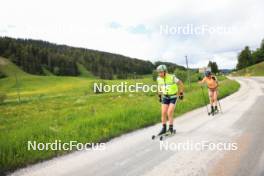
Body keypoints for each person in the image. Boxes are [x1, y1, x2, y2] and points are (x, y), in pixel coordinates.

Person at [156, 65, 184, 135]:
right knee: (163, 113)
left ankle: (171, 128)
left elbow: (181, 84)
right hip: (165, 97)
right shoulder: (159, 79)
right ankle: (164, 128)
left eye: (161, 72)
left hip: (173, 96)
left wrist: (181, 93)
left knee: (169, 112)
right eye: (158, 73)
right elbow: (159, 87)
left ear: (165, 71)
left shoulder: (172, 77)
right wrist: (159, 95)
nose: (160, 74)